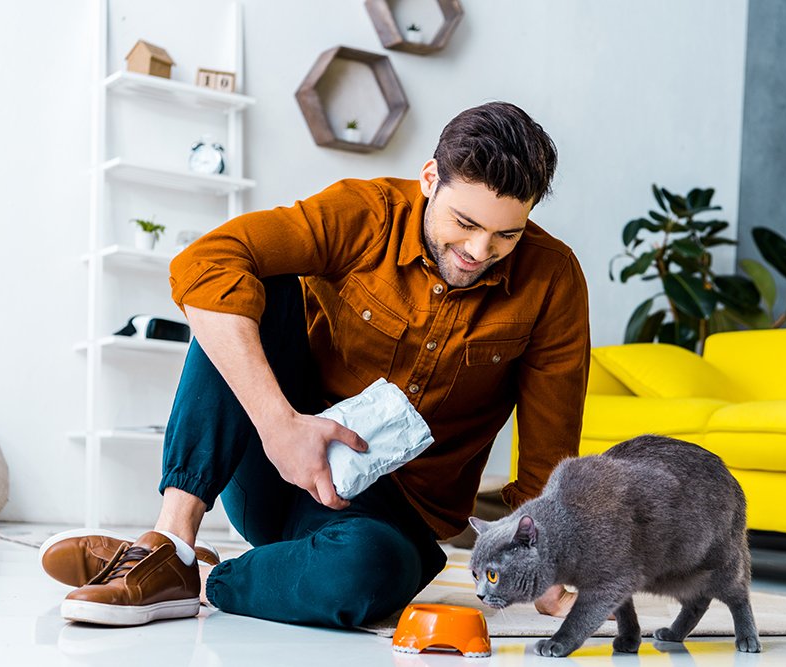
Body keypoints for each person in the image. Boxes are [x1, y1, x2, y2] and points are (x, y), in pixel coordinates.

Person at [40, 101, 591, 628]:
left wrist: (545, 578)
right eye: (464, 222)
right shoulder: (365, 212)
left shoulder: (553, 281)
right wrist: (280, 425)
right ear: (429, 178)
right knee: (245, 277)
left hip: (395, 522)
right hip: (279, 470)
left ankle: (190, 572)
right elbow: (202, 263)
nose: (478, 248)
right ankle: (173, 534)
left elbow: (550, 446)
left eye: (506, 235)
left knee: (362, 572)